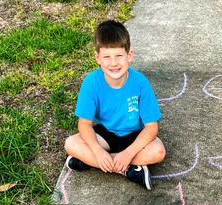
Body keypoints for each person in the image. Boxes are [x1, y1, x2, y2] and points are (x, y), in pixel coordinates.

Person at [64, 20, 165, 190]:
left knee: (158, 152)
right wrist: (97, 151)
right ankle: (128, 171)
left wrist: (128, 153)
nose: (113, 63)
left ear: (129, 55)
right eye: (106, 57)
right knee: (71, 144)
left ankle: (89, 162)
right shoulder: (91, 82)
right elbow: (84, 124)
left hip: (135, 134)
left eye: (119, 56)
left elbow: (151, 128)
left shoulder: (140, 82)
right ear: (97, 58)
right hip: (106, 135)